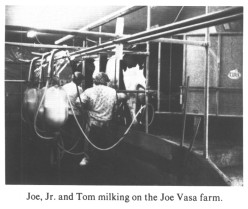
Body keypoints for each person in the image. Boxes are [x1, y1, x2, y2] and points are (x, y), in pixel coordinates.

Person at [76, 72, 126, 166]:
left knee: (90, 143)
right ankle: (105, 164)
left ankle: (87, 159)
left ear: (95, 81)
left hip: (93, 123)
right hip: (107, 123)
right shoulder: (113, 91)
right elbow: (122, 98)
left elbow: (78, 102)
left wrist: (85, 111)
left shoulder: (89, 91)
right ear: (106, 81)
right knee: (105, 146)